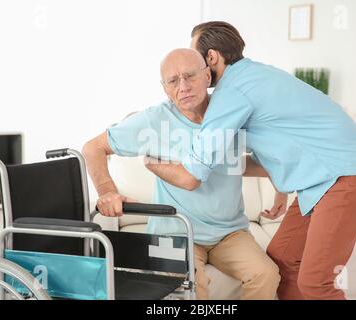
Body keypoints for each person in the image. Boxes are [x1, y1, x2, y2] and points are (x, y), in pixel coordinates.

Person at [142, 21, 356, 300]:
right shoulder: (255, 76)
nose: (192, 72)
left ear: (211, 58)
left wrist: (151, 161)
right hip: (321, 182)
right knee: (281, 261)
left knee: (316, 282)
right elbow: (278, 138)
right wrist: (281, 192)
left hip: (346, 175)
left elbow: (193, 175)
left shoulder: (232, 92)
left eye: (197, 59)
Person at [82, 48, 281, 300]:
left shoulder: (231, 113)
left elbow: (263, 156)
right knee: (191, 288)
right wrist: (107, 191)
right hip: (174, 232)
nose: (183, 86)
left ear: (208, 76)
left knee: (266, 274)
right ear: (164, 88)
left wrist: (281, 187)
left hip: (229, 233)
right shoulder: (154, 121)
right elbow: (93, 148)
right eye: (173, 81)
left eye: (190, 76)